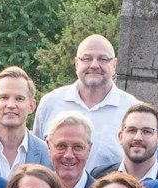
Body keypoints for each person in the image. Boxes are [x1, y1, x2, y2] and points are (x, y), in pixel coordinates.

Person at [36, 35, 138, 174]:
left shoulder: (132, 110)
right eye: (87, 58)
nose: (94, 65)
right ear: (76, 63)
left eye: (102, 59)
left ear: (114, 65)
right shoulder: (50, 103)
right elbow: (36, 158)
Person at [0, 67, 51, 178]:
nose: (10, 105)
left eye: (19, 99)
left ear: (31, 106)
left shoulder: (46, 154)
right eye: (4, 97)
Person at [45, 112, 102, 188]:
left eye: (77, 147)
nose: (69, 155)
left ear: (89, 148)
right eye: (61, 146)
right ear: (48, 146)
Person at [116, 102, 158, 184]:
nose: (138, 138)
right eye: (131, 130)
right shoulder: (99, 176)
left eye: (147, 131)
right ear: (120, 137)